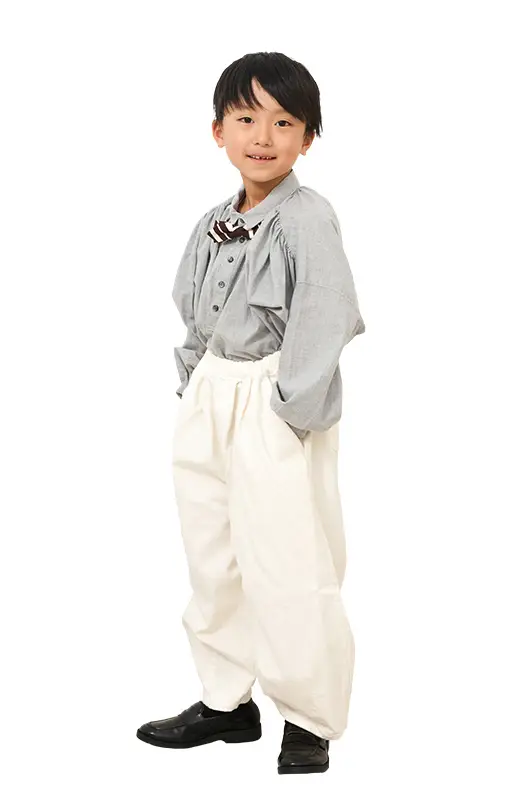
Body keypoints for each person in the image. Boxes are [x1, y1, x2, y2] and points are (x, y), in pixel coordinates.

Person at [136, 51, 366, 775]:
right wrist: (195, 380)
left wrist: (287, 412)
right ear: (218, 131)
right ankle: (226, 700)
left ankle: (308, 717)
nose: (262, 137)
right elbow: (192, 307)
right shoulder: (214, 222)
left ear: (308, 138)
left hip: (273, 394)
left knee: (290, 558)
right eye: (245, 119)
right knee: (215, 552)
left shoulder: (307, 218)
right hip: (213, 391)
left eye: (284, 122)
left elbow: (326, 314)